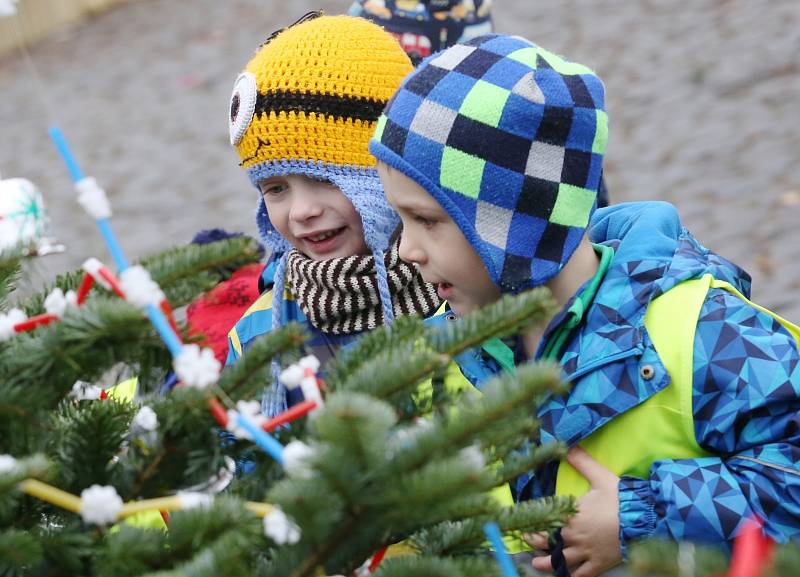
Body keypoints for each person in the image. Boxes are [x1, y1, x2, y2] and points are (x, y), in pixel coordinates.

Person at [369, 33, 800, 577]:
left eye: (428, 220)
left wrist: (644, 518)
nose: (405, 250)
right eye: (401, 220)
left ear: (515, 226)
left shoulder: (697, 332)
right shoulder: (440, 355)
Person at [225, 13, 444, 417]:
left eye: (324, 180)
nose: (303, 212)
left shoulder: (464, 293)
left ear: (389, 172)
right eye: (276, 189)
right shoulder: (261, 337)